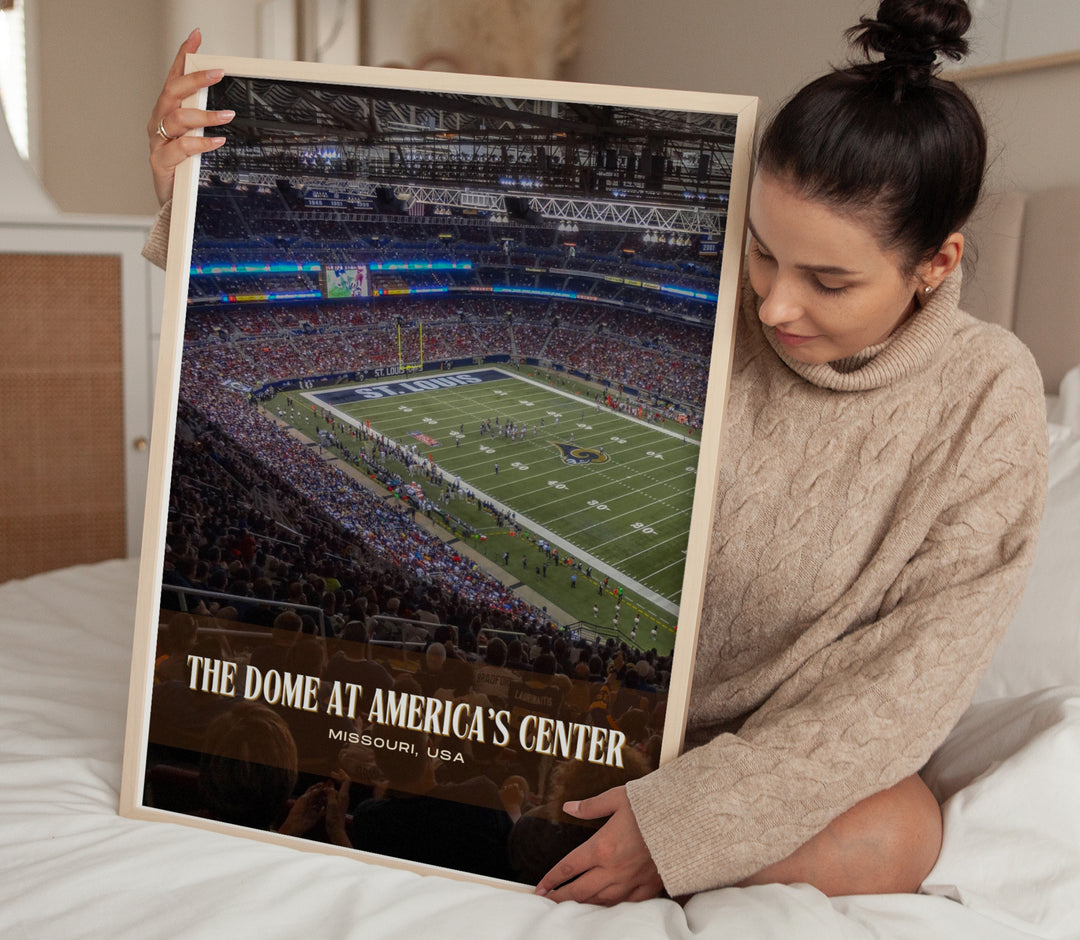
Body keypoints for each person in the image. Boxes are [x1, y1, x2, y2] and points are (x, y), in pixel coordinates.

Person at [146, 0, 1045, 905]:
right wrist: (192, 197)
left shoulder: (986, 396)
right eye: (764, 254)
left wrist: (688, 823)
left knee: (901, 831)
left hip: (765, 753)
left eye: (829, 280)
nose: (772, 306)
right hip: (591, 716)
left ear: (936, 263)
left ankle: (557, 846)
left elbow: (904, 690)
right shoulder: (714, 295)